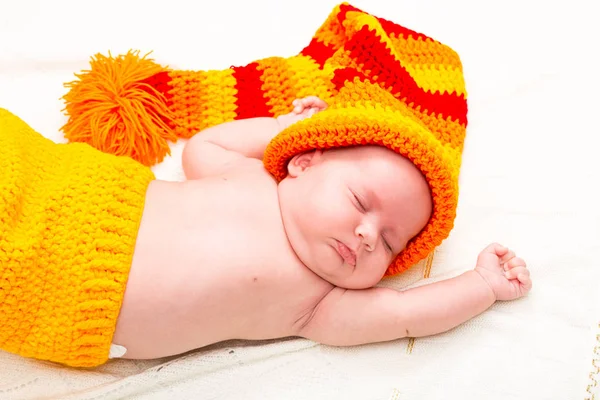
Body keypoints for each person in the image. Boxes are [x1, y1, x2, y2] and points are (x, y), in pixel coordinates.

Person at [110, 96, 532, 360]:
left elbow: (406, 315)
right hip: (95, 203)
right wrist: (281, 127)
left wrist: (482, 285)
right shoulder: (249, 176)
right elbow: (204, 145)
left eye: (389, 242)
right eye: (360, 202)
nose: (368, 235)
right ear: (304, 163)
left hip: (89, 307)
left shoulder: (320, 302)